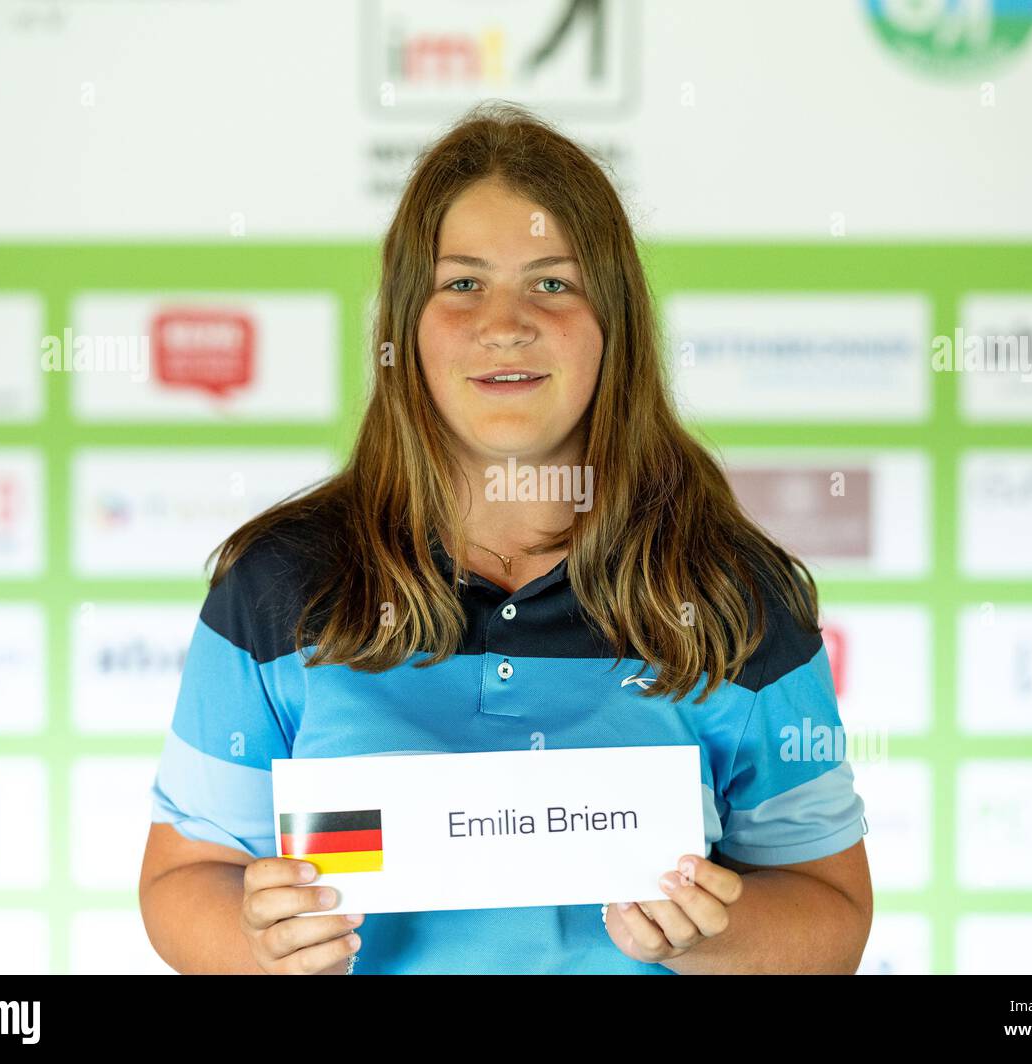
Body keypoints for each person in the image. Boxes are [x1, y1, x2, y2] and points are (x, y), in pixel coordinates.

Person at [137, 101, 871, 975]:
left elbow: (834, 914)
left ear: (616, 327)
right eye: (462, 284)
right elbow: (186, 876)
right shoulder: (276, 584)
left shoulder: (729, 591)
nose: (506, 322)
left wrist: (723, 933)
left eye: (554, 283)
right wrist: (260, 945)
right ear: (405, 327)